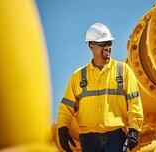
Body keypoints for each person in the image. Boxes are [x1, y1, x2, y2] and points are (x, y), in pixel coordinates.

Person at [57, 23, 144, 152]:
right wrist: (63, 129)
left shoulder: (123, 71)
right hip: (88, 139)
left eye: (109, 43)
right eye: (102, 44)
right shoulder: (78, 76)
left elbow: (134, 102)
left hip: (116, 137)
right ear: (91, 46)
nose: (107, 47)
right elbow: (66, 106)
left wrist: (134, 130)